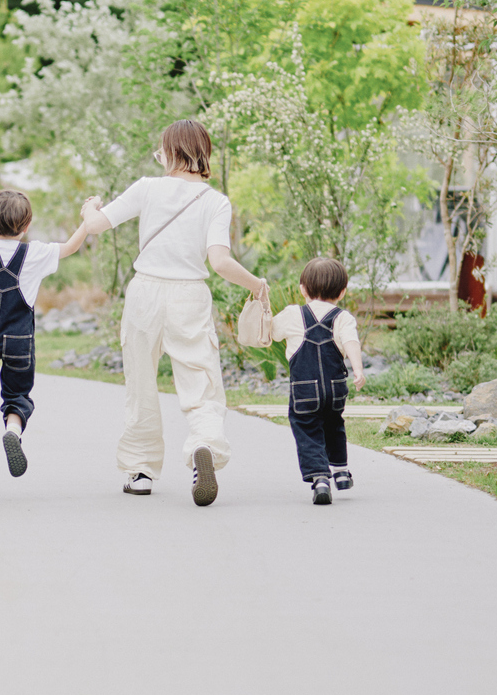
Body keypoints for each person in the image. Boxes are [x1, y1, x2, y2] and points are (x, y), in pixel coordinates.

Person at [78, 120, 267, 505]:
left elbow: (96, 226)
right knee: (202, 383)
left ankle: (142, 470)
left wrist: (88, 207)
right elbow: (219, 261)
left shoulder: (148, 188)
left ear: (170, 151)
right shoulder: (215, 201)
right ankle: (204, 449)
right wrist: (256, 284)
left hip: (145, 291)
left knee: (141, 381)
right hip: (189, 296)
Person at [0, 189, 98, 478]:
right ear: (27, 226)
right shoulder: (35, 253)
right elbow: (70, 247)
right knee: (17, 393)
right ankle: (13, 430)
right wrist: (86, 220)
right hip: (18, 340)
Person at [274, 256, 364, 504]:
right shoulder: (343, 317)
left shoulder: (294, 314)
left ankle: (320, 478)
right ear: (342, 292)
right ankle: (341, 471)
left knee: (307, 427)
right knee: (334, 423)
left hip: (305, 390)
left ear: (302, 289)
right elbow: (351, 343)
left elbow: (270, 331)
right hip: (335, 389)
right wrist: (358, 370)